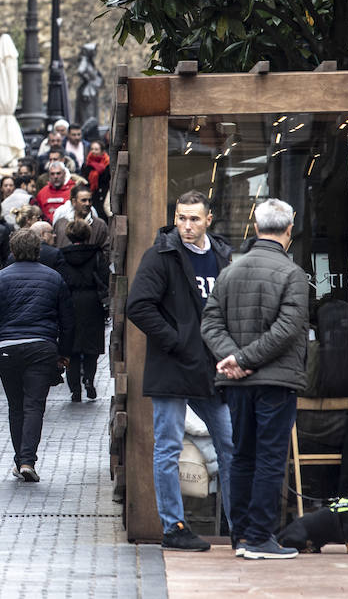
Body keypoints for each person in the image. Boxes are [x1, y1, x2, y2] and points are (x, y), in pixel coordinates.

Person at [125, 189, 235, 553]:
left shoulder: (221, 255)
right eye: (181, 218)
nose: (186, 225)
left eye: (193, 218)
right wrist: (176, 340)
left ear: (208, 220)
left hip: (212, 365)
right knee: (168, 446)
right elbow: (138, 306)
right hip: (173, 364)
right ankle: (174, 525)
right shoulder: (161, 254)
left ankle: (240, 525)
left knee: (230, 443)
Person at [201, 198, 309, 561]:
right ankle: (260, 537)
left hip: (236, 382)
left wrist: (233, 359)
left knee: (242, 457)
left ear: (256, 226)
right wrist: (244, 359)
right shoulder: (292, 273)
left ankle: (242, 536)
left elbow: (210, 323)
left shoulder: (230, 271)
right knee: (270, 458)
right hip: (275, 381)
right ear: (289, 230)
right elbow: (289, 329)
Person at [0, 229, 73, 482]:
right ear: (38, 250)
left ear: (12, 249)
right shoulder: (54, 278)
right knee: (34, 406)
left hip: (8, 347)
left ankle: (20, 459)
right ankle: (27, 460)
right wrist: (64, 352)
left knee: (16, 406)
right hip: (42, 347)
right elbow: (68, 320)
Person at [55, 219, 109, 403]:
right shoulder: (96, 254)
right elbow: (104, 276)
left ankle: (75, 389)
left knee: (72, 347)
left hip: (70, 301)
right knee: (91, 347)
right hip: (92, 302)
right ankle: (89, 380)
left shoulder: (62, 255)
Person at [54, 187, 111, 264]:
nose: (87, 204)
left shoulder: (100, 225)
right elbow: (54, 248)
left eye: (90, 200)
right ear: (74, 202)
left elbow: (107, 251)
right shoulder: (61, 224)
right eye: (83, 200)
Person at [82, 141, 111, 220]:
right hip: (92, 195)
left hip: (104, 195)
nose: (93, 151)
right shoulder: (86, 164)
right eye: (92, 149)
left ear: (102, 151)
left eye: (96, 149)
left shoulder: (108, 164)